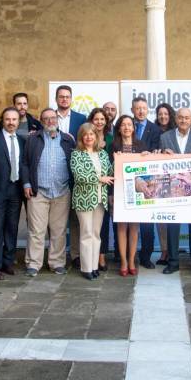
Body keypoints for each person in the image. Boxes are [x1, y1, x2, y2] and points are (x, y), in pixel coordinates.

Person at [22, 108, 75, 277]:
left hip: (62, 191)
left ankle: (57, 263)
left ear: (57, 120)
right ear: (41, 121)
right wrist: (26, 183)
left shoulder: (67, 140)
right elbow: (24, 163)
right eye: (46, 119)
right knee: (36, 230)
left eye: (53, 118)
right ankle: (33, 263)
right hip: (39, 192)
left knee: (58, 230)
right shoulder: (32, 139)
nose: (50, 121)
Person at [159, 108, 191, 275]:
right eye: (180, 117)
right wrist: (163, 154)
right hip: (172, 191)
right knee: (172, 226)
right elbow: (158, 163)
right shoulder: (165, 137)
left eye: (187, 118)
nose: (183, 120)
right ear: (176, 118)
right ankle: (172, 262)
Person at [0, 107, 26, 280]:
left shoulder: (22, 141)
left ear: (18, 121)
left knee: (12, 228)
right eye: (8, 119)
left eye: (14, 119)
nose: (11, 122)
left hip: (16, 191)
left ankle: (8, 262)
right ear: (2, 120)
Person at [71, 123, 114, 280]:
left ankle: (94, 266)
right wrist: (99, 178)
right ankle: (86, 268)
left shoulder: (102, 153)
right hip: (84, 199)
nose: (89, 137)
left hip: (100, 199)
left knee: (96, 234)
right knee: (86, 233)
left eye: (92, 134)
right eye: (86, 134)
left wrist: (121, 160)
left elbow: (110, 171)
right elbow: (79, 176)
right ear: (82, 137)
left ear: (97, 136)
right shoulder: (77, 154)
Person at [110, 115, 148, 275]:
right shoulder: (113, 145)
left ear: (133, 128)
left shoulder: (141, 145)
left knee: (134, 228)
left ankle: (132, 260)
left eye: (129, 125)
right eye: (123, 125)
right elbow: (108, 170)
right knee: (121, 227)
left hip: (136, 191)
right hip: (118, 191)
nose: (126, 127)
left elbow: (146, 169)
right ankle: (123, 262)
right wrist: (110, 194)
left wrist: (148, 157)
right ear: (119, 128)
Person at [55, 85, 86, 268]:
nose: (64, 99)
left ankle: (75, 255)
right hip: (55, 172)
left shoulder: (81, 119)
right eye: (61, 97)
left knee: (75, 219)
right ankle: (57, 255)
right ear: (56, 98)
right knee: (57, 220)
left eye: (67, 97)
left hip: (76, 173)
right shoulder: (50, 118)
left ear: (71, 99)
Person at [131, 96, 161, 268]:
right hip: (129, 179)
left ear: (147, 109)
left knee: (147, 224)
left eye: (144, 108)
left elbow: (156, 152)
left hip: (149, 181)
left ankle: (146, 257)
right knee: (128, 222)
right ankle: (126, 256)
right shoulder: (126, 126)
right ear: (133, 109)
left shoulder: (155, 129)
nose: (141, 111)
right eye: (137, 108)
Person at [88, 108, 114, 270]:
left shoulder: (112, 139)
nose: (99, 122)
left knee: (102, 224)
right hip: (88, 189)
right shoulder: (87, 138)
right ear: (91, 121)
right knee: (88, 227)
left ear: (106, 121)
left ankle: (101, 256)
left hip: (106, 188)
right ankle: (89, 257)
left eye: (102, 119)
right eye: (96, 119)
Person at [153, 102, 176, 266]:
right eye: (160, 114)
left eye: (166, 114)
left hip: (176, 182)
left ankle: (173, 252)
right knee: (161, 220)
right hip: (160, 181)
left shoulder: (178, 131)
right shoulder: (153, 131)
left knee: (174, 219)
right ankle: (164, 251)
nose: (163, 117)